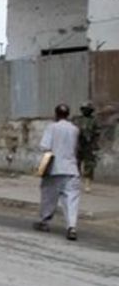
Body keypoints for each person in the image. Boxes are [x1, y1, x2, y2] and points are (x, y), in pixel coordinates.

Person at [34, 103, 82, 241]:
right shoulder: (75, 129)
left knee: (49, 197)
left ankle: (45, 221)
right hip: (71, 169)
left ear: (56, 114)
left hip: (54, 168)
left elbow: (45, 146)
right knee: (71, 200)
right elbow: (76, 148)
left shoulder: (52, 127)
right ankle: (71, 227)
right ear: (68, 115)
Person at [74, 101, 101, 193]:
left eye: (88, 110)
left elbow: (97, 133)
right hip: (78, 144)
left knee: (89, 165)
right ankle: (75, 183)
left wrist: (94, 144)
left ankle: (87, 184)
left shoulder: (94, 120)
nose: (86, 111)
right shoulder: (77, 120)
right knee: (75, 164)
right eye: (85, 109)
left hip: (89, 145)